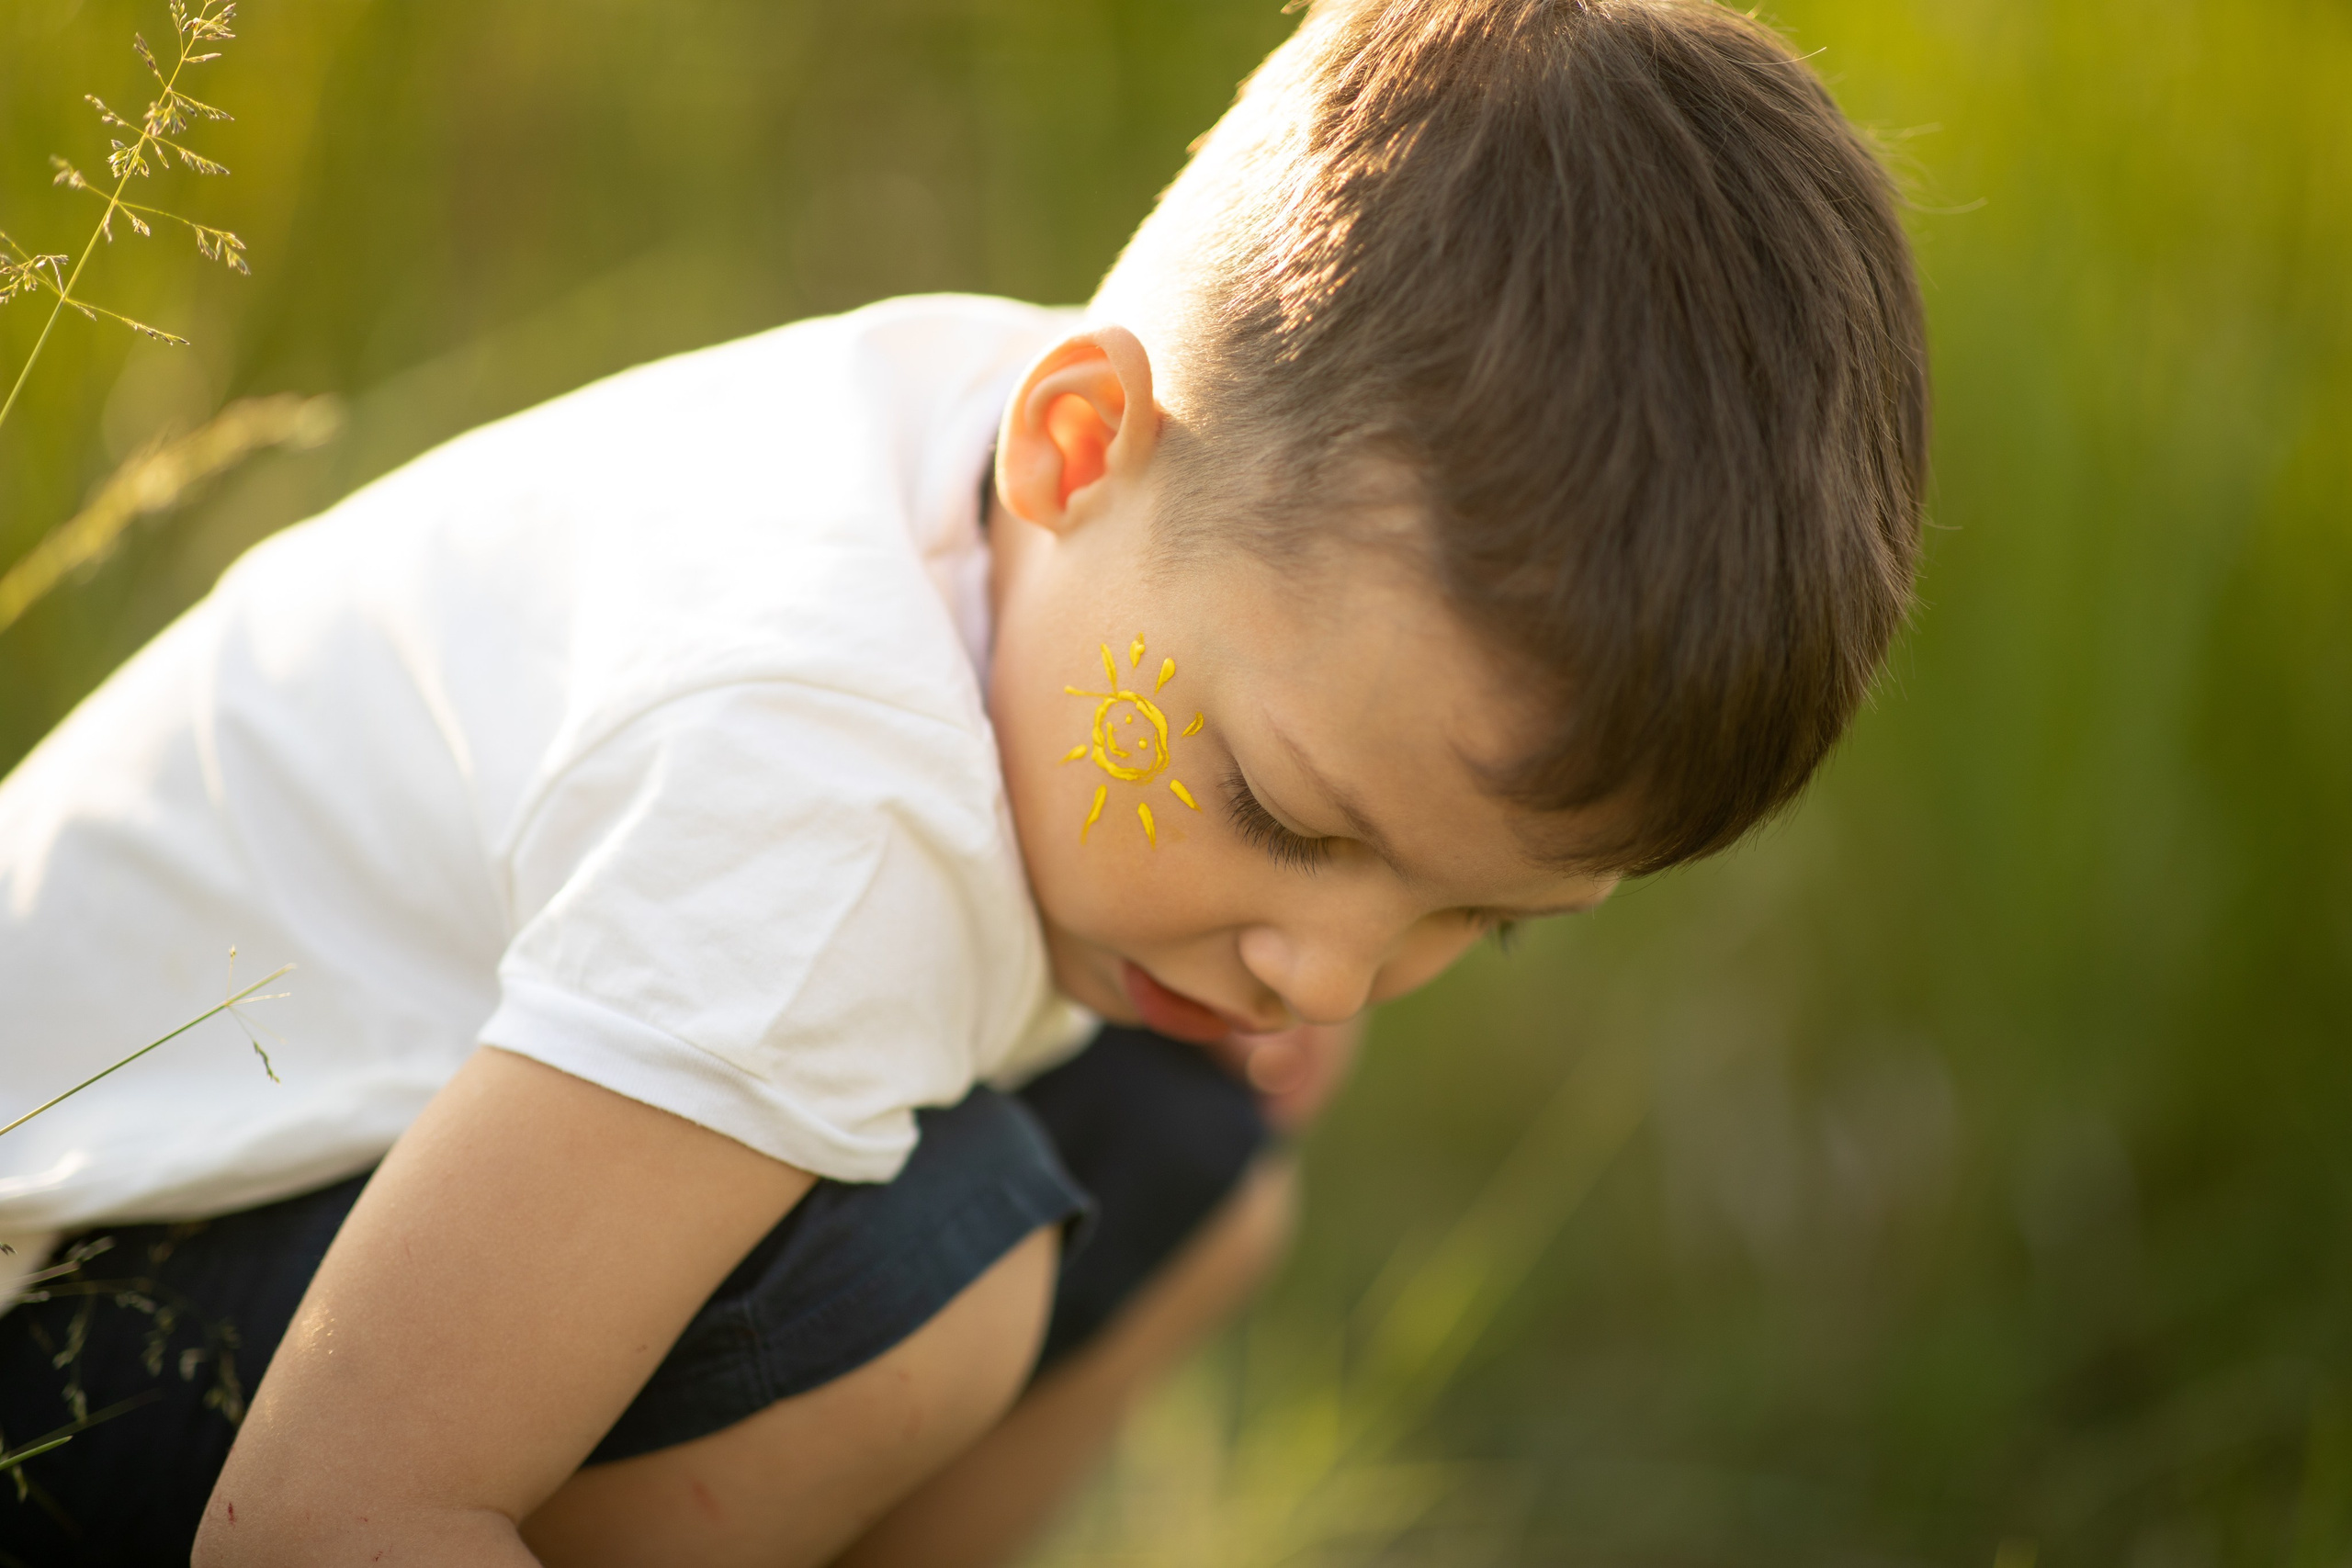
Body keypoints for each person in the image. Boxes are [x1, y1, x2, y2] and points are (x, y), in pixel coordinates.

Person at [0, 0, 1928, 1561]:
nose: (1331, 974)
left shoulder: (1095, 486)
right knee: (942, 1281)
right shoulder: (820, 811)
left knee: (1188, 1153)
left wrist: (1289, 865)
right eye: (1285, 813)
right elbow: (330, 1509)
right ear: (1076, 444)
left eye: (1469, 918)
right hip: (57, 1332)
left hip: (334, 1205)